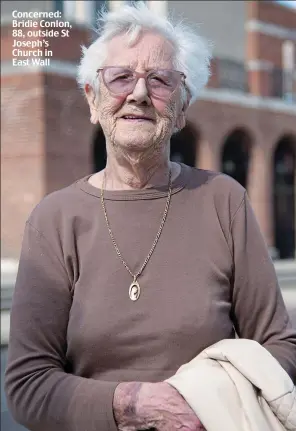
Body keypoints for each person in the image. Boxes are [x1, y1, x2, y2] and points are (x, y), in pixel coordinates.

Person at [5, 2, 296, 431]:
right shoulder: (55, 219)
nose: (139, 94)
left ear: (181, 108)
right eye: (120, 77)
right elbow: (27, 386)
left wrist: (200, 401)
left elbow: (280, 346)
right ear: (92, 98)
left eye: (160, 81)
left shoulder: (222, 199)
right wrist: (135, 404)